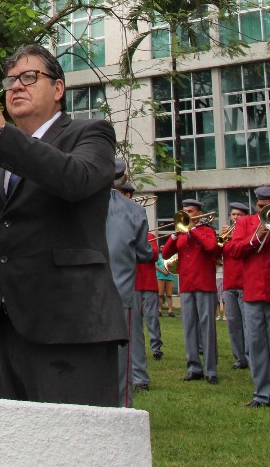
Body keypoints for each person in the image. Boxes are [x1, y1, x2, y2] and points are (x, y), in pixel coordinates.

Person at [0, 44, 127, 407]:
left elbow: (74, 180)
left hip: (70, 323)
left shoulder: (91, 134)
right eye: (10, 80)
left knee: (73, 441)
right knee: (9, 442)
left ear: (58, 89)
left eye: (29, 77)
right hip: (2, 323)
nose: (16, 86)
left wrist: (1, 131)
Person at [105, 163, 154, 406]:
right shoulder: (134, 211)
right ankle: (123, 409)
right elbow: (145, 253)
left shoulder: (81, 203)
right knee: (122, 358)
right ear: (123, 178)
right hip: (122, 292)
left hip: (88, 291)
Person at [162, 198, 220, 384]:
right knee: (189, 328)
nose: (188, 214)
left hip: (204, 284)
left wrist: (193, 230)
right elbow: (165, 254)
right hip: (187, 285)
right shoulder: (180, 235)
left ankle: (211, 370)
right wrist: (173, 235)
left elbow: (211, 247)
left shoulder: (207, 231)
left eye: (191, 212)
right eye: (185, 212)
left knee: (207, 328)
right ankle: (194, 368)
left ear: (199, 213)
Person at [224, 186, 270, 407]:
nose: (263, 210)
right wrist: (254, 238)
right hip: (252, 292)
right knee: (257, 344)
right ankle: (262, 394)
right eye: (261, 206)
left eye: (267, 207)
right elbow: (232, 250)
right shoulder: (245, 223)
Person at [220, 201, 250, 370]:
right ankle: (239, 358)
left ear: (245, 216)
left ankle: (250, 355)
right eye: (233, 214)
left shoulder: (249, 232)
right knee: (233, 323)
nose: (235, 217)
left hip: (244, 283)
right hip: (229, 283)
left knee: (247, 323)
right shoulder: (227, 233)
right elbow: (215, 251)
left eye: (239, 214)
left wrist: (235, 238)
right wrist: (222, 238)